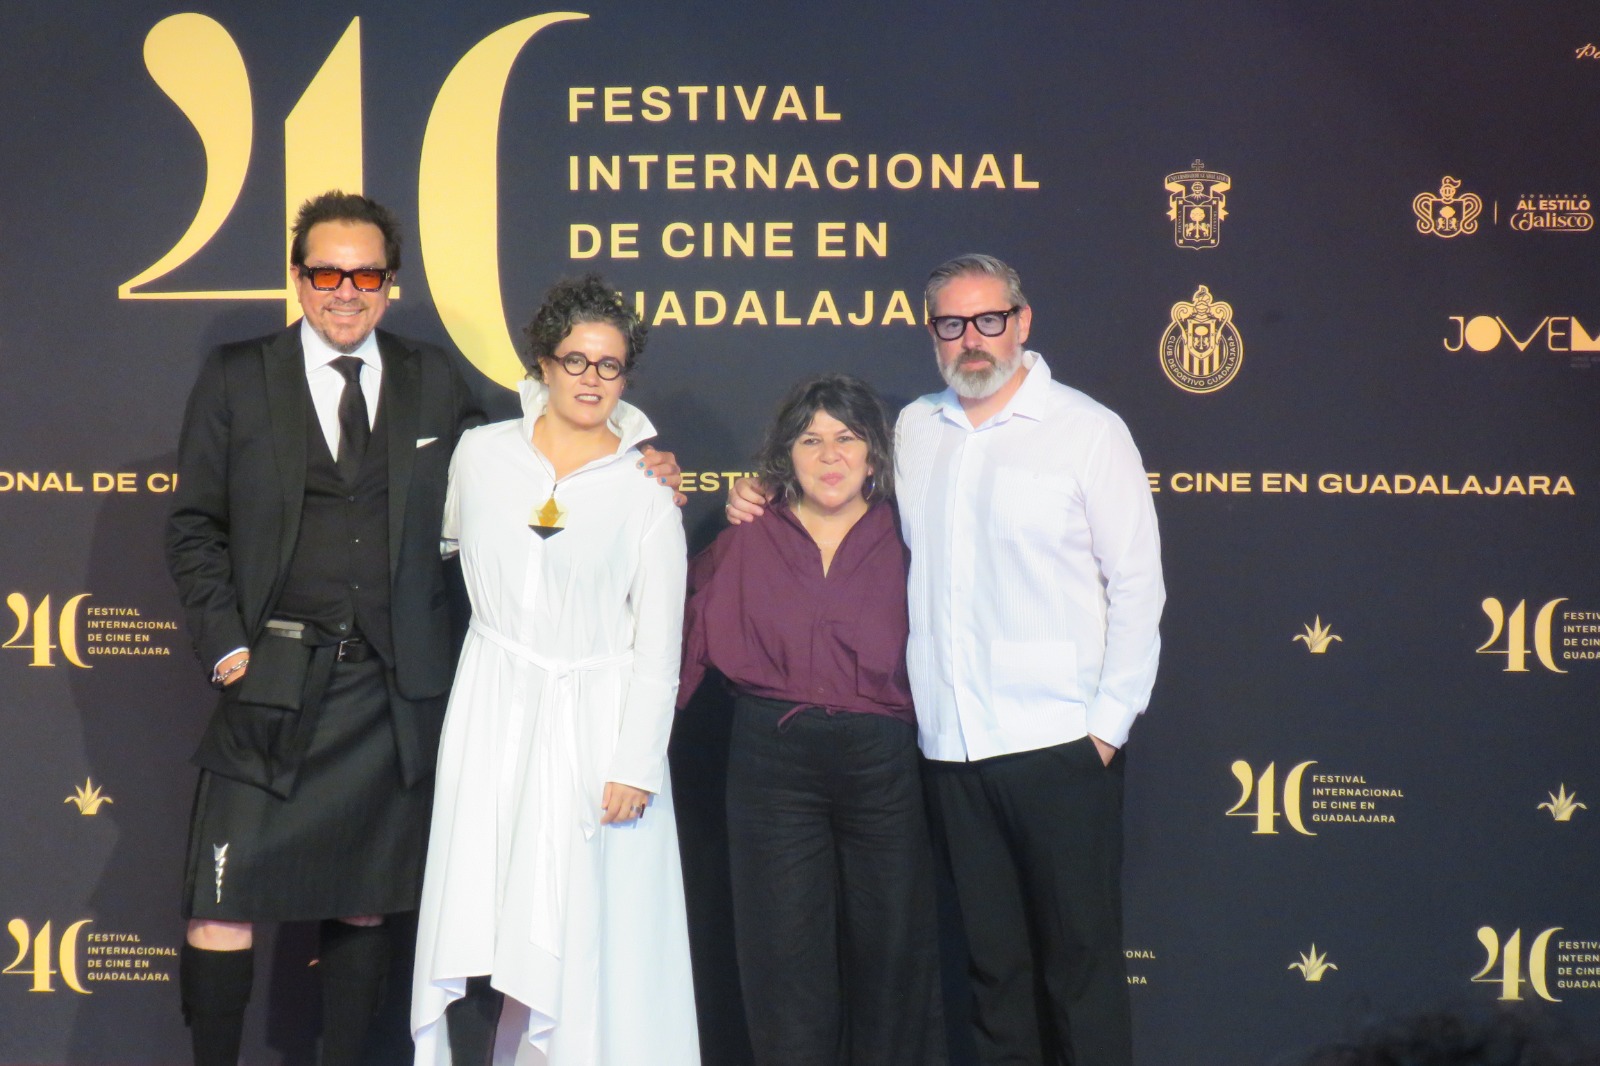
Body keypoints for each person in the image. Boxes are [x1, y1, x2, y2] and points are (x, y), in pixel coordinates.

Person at [166, 192, 682, 1065]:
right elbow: (191, 525)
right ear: (298, 279)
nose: (345, 290)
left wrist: (641, 447)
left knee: (365, 902)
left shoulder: (430, 378)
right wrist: (226, 646)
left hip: (390, 689)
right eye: (327, 272)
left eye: (365, 274)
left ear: (390, 285)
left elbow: (545, 437)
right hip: (270, 678)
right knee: (219, 904)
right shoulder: (236, 375)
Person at [729, 254, 1165, 1065]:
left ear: (1022, 323)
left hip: (1059, 747)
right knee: (993, 973)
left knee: (1081, 971)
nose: (973, 340)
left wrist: (1103, 731)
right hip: (951, 754)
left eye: (988, 320)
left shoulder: (1088, 431)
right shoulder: (915, 430)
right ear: (932, 334)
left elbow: (1139, 587)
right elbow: (832, 486)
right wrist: (754, 497)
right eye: (952, 325)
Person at [410, 275, 698, 1066]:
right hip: (492, 710)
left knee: (587, 930)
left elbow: (659, 644)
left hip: (597, 729)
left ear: (625, 377)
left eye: (609, 366)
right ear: (542, 363)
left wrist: (636, 763)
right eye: (576, 360)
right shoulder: (480, 455)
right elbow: (431, 549)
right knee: (482, 916)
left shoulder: (646, 490)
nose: (591, 380)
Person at [680, 375, 945, 1066]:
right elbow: (677, 640)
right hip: (772, 762)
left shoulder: (914, 531)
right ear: (785, 456)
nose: (831, 456)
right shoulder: (746, 536)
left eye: (847, 439)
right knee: (781, 959)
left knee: (890, 958)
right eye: (811, 440)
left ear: (875, 455)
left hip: (884, 761)